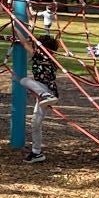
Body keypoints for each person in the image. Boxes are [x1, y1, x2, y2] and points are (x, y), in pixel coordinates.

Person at [20, 33, 62, 164]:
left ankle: (46, 95)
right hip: (47, 91)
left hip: (45, 90)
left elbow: (24, 43)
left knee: (24, 80)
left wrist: (16, 27)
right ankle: (37, 152)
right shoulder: (51, 59)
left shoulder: (38, 56)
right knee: (36, 122)